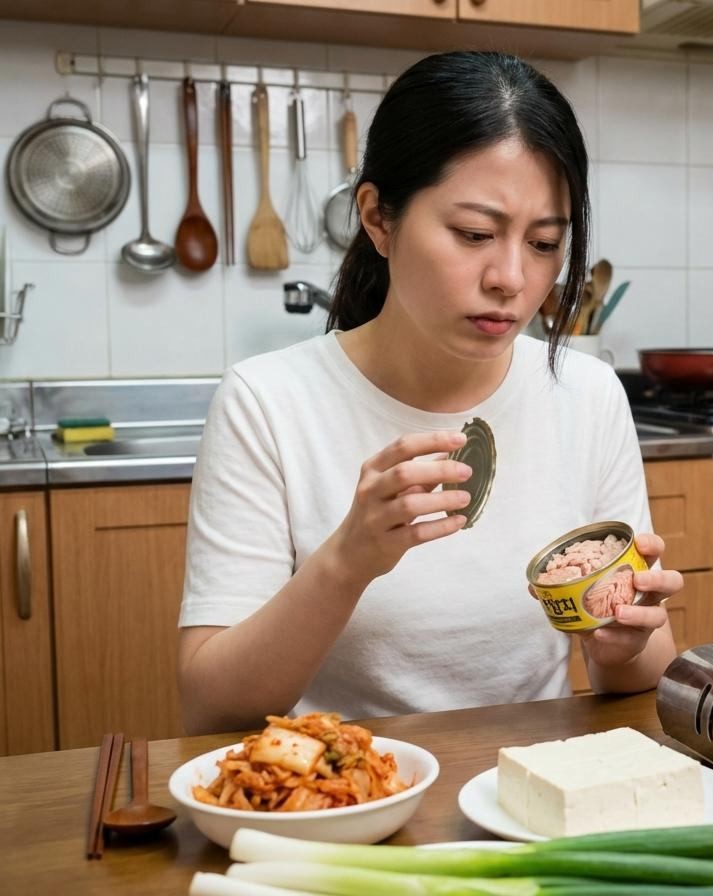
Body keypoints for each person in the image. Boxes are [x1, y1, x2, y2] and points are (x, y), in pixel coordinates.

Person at [177, 51, 682, 735]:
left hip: (528, 792)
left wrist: (621, 644)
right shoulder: (266, 403)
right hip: (346, 795)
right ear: (378, 219)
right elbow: (212, 705)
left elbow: (638, 673)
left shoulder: (585, 394)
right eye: (474, 234)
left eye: (543, 243)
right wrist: (347, 561)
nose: (510, 278)